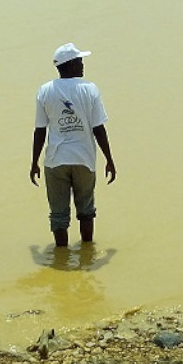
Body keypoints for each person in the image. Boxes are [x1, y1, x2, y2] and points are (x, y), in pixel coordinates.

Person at [30, 42, 116, 247]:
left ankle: (61, 256)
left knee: (58, 215)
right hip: (84, 159)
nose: (82, 64)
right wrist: (109, 159)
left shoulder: (45, 91)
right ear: (70, 65)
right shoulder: (90, 89)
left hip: (55, 160)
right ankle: (87, 253)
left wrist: (34, 163)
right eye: (79, 61)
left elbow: (40, 130)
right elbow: (98, 128)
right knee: (86, 211)